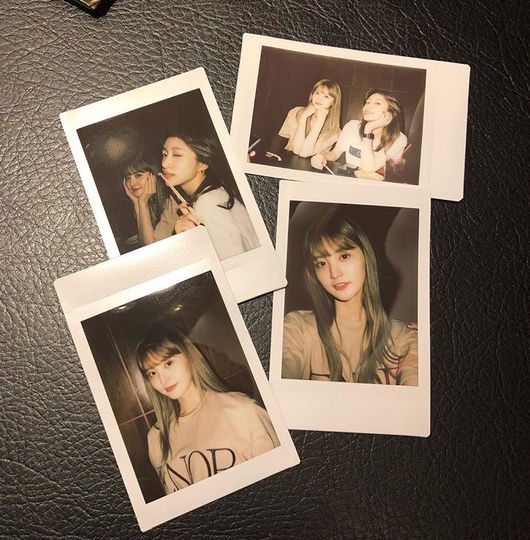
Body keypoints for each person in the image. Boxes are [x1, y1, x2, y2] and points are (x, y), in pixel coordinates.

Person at [136, 318, 280, 494]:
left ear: (189, 356)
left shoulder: (243, 411)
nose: (162, 379)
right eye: (152, 373)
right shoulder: (157, 438)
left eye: (168, 363)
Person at [282, 210, 418, 385]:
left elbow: (415, 386)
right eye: (321, 263)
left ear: (366, 257)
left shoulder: (402, 335)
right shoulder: (299, 327)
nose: (334, 273)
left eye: (344, 256)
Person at [135, 131, 259, 260]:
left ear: (202, 164)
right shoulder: (215, 194)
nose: (164, 163)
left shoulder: (207, 202)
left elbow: (234, 261)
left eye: (177, 155)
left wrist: (195, 244)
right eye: (164, 154)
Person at [311, 89, 407, 179]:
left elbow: (367, 170)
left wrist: (368, 130)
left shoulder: (399, 139)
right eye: (367, 102)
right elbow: (335, 153)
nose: (368, 106)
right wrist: (322, 156)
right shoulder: (352, 126)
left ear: (391, 113)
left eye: (377, 103)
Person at [266, 79, 342, 160]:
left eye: (326, 96)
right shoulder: (295, 112)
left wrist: (320, 121)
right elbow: (286, 143)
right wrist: (303, 117)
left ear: (333, 102)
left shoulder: (334, 132)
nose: (319, 98)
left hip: (311, 165)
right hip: (287, 160)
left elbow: (303, 153)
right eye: (317, 93)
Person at [122, 158, 166, 246]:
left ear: (153, 176)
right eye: (128, 178)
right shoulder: (146, 201)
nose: (132, 183)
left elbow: (150, 247)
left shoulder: (170, 202)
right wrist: (137, 203)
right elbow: (144, 243)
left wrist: (142, 203)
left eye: (138, 175)